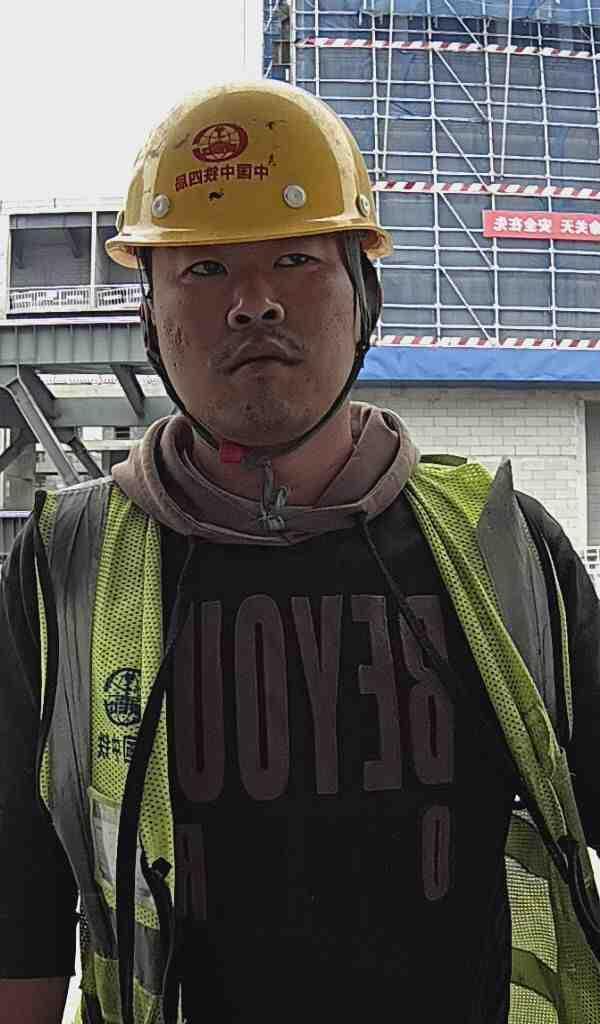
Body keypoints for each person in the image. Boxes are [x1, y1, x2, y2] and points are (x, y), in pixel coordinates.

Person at [1, 80, 600, 1024]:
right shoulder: (61, 569)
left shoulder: (508, 552)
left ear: (365, 296)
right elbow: (19, 916)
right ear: (149, 315)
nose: (253, 304)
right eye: (205, 268)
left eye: (294, 259)